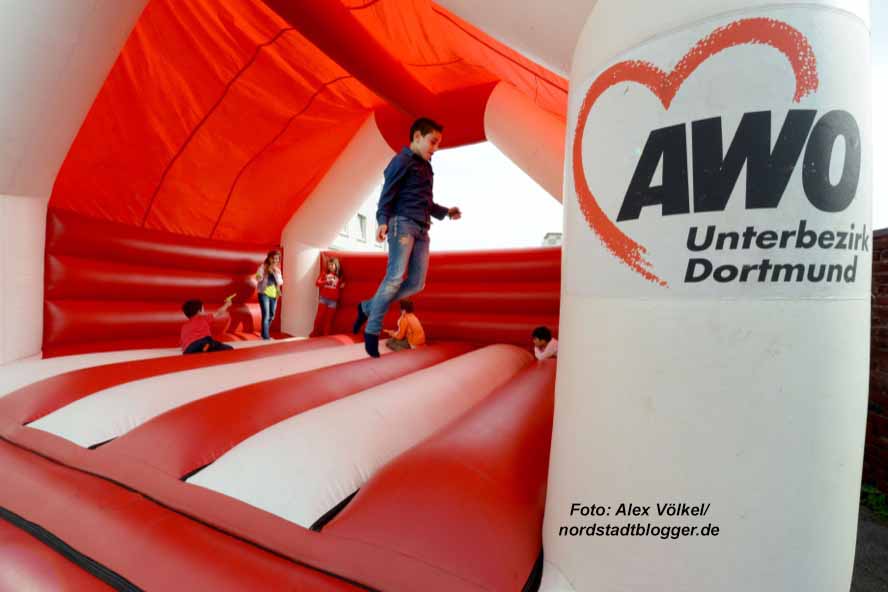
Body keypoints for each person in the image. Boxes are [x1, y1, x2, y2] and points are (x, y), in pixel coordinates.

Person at [353, 117, 461, 357]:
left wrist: (446, 212)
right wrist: (382, 220)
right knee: (394, 278)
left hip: (422, 228)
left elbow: (426, 202)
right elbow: (387, 193)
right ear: (417, 137)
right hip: (401, 224)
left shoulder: (426, 167)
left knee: (416, 283)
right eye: (433, 142)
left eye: (438, 143)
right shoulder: (401, 161)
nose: (436, 148)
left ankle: (367, 307)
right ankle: (371, 331)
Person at [311, 256, 345, 336]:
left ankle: (326, 336)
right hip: (324, 298)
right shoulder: (324, 273)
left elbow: (339, 287)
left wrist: (342, 285)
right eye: (329, 265)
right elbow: (317, 283)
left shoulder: (340, 276)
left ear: (336, 265)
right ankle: (314, 333)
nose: (330, 267)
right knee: (319, 317)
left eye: (332, 265)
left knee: (328, 320)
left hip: (333, 301)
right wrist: (326, 281)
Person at [255, 250, 283, 340]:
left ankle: (263, 334)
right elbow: (258, 278)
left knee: (271, 315)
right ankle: (266, 337)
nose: (275, 260)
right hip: (264, 294)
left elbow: (280, 282)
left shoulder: (277, 270)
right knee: (266, 315)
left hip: (274, 295)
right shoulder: (263, 267)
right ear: (269, 258)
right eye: (273, 258)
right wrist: (261, 275)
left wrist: (275, 272)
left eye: (277, 259)